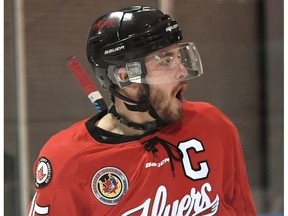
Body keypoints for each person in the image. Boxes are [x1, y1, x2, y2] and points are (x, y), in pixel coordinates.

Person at [28, 6, 256, 216]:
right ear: (126, 77)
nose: (182, 71)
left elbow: (240, 208)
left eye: (179, 56)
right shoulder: (68, 159)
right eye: (166, 62)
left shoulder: (213, 125)